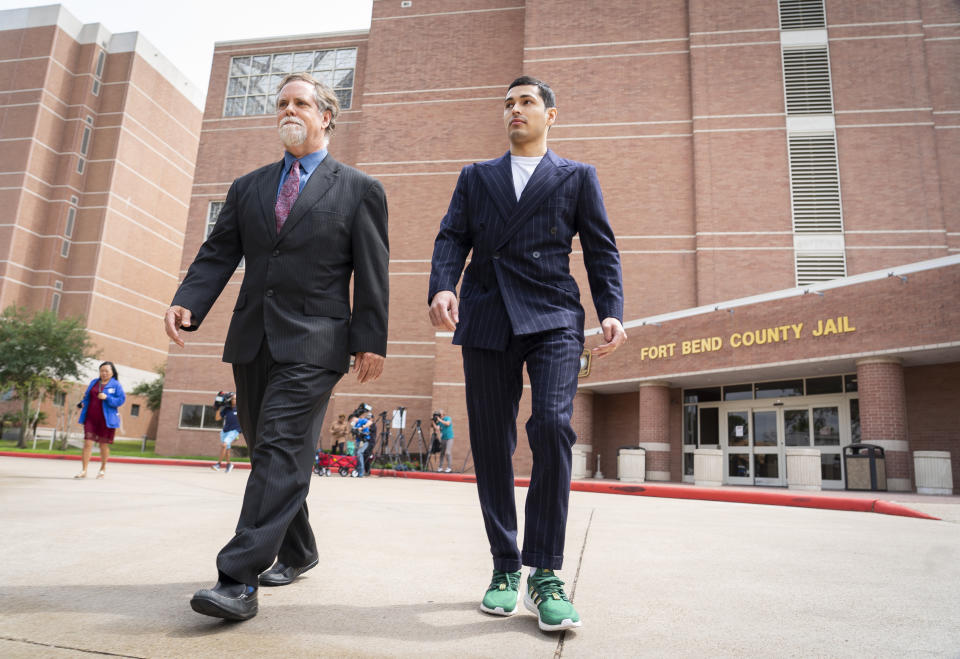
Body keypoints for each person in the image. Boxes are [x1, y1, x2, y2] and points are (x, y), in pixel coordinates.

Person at [164, 72, 389, 621]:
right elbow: (219, 252)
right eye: (281, 102)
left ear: (326, 116)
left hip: (317, 339)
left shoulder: (358, 188)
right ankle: (299, 548)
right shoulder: (250, 186)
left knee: (283, 445)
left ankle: (237, 579)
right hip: (253, 336)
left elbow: (372, 270)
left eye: (300, 103)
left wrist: (370, 338)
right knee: (271, 449)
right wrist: (187, 300)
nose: (288, 110)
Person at [428, 76, 626, 632]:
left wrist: (611, 308)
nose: (515, 110)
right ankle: (504, 566)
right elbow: (451, 237)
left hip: (555, 316)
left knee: (552, 427)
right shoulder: (476, 176)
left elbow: (601, 248)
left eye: (527, 102)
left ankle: (545, 571)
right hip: (488, 312)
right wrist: (443, 285)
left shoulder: (577, 176)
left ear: (551, 115)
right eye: (509, 103)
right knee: (492, 441)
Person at [75, 361, 125, 480]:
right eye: (102, 370)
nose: (104, 373)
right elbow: (87, 397)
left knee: (103, 445)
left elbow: (120, 400)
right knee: (87, 443)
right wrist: (82, 403)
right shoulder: (94, 382)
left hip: (106, 420)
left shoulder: (116, 385)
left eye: (107, 371)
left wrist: (107, 398)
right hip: (91, 418)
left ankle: (102, 469)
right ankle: (84, 470)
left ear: (112, 372)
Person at [212, 394, 240, 472]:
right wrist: (218, 408)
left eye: (235, 398)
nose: (234, 400)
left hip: (234, 431)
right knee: (227, 450)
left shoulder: (241, 409)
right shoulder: (227, 409)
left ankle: (218, 464)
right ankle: (229, 464)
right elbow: (217, 418)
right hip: (224, 432)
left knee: (224, 445)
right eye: (233, 399)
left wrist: (237, 435)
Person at [351, 411, 372, 477]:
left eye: (352, 419)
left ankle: (361, 472)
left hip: (364, 441)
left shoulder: (362, 420)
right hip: (358, 441)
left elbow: (370, 422)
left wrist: (363, 427)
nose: (352, 421)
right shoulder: (354, 425)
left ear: (355, 418)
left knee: (360, 453)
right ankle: (356, 471)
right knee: (355, 455)